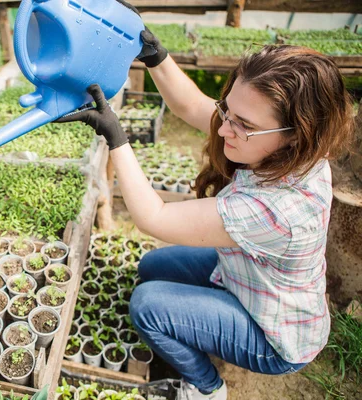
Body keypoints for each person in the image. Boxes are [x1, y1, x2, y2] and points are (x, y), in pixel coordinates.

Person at [56, 3, 355, 399]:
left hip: (275, 335)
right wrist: (155, 55)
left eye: (243, 124)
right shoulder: (298, 149)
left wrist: (115, 136)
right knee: (151, 265)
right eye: (228, 110)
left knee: (147, 305)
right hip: (246, 276)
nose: (224, 127)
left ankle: (207, 388)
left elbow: (153, 215)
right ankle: (209, 317)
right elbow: (194, 106)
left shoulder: (278, 210)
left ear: (296, 134)